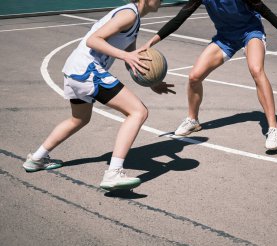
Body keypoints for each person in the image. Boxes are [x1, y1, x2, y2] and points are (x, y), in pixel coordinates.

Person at [22, 0, 175, 190]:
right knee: (138, 112)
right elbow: (93, 40)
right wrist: (126, 56)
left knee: (79, 118)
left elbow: (132, 59)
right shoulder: (129, 14)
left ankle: (36, 159)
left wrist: (152, 82)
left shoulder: (134, 19)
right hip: (87, 70)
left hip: (75, 70)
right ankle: (113, 173)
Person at [142, 0, 277, 150]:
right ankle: (193, 121)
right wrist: (151, 42)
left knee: (256, 70)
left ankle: (273, 129)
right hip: (225, 38)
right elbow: (179, 18)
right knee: (194, 76)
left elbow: (265, 11)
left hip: (250, 32)